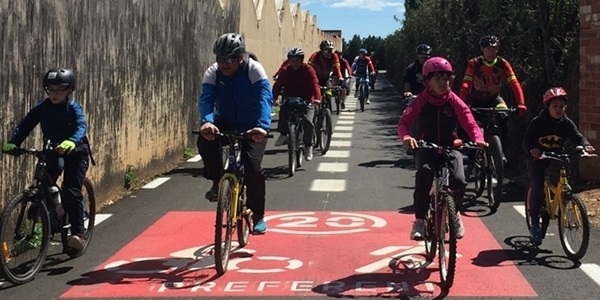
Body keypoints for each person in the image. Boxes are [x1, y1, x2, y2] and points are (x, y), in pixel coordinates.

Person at [2, 68, 91, 253]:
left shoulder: (73, 107)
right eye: (51, 89)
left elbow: (81, 126)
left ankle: (78, 234)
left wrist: (71, 141)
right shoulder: (42, 108)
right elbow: (25, 125)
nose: (54, 93)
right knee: (44, 181)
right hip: (52, 150)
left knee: (72, 189)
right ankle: (54, 212)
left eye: (60, 89)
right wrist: (13, 143)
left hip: (76, 151)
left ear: (69, 90)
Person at [397, 57, 487, 240]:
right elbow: (404, 123)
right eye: (437, 78)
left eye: (446, 78)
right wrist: (406, 137)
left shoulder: (454, 101)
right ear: (427, 81)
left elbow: (469, 122)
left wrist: (478, 138)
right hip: (426, 145)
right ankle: (420, 220)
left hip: (450, 146)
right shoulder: (419, 101)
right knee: (424, 173)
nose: (443, 83)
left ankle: (455, 213)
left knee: (460, 181)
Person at [197, 33, 273, 234]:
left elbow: (265, 98)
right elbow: (206, 99)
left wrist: (262, 127)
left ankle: (258, 215)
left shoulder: (254, 70)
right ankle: (217, 181)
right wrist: (207, 122)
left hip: (253, 124)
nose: (224, 64)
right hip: (226, 119)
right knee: (204, 140)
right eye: (221, 59)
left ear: (241, 57)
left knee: (252, 167)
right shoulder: (213, 73)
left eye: (230, 59)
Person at [523, 87, 595, 244]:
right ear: (547, 107)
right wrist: (532, 149)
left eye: (561, 106)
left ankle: (562, 202)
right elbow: (527, 139)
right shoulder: (539, 122)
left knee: (562, 179)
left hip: (557, 156)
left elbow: (577, 136)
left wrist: (585, 145)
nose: (558, 109)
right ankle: (535, 223)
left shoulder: (566, 123)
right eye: (554, 106)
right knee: (537, 185)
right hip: (538, 157)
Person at [459, 35, 527, 142]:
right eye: (488, 49)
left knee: (504, 117)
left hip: (494, 99)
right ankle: (471, 153)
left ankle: (500, 151)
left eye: (494, 49)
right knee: (472, 126)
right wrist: (461, 103)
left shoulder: (503, 63)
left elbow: (514, 83)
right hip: (476, 101)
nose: (491, 52)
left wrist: (521, 103)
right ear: (482, 49)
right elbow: (466, 84)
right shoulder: (474, 63)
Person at [272, 47, 321, 162]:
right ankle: (283, 134)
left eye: (297, 60)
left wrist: (317, 98)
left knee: (308, 122)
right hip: (290, 99)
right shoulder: (285, 70)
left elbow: (315, 83)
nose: (294, 63)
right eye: (292, 61)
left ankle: (308, 146)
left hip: (306, 100)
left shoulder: (308, 70)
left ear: (302, 60)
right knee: (283, 111)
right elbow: (278, 85)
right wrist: (274, 98)